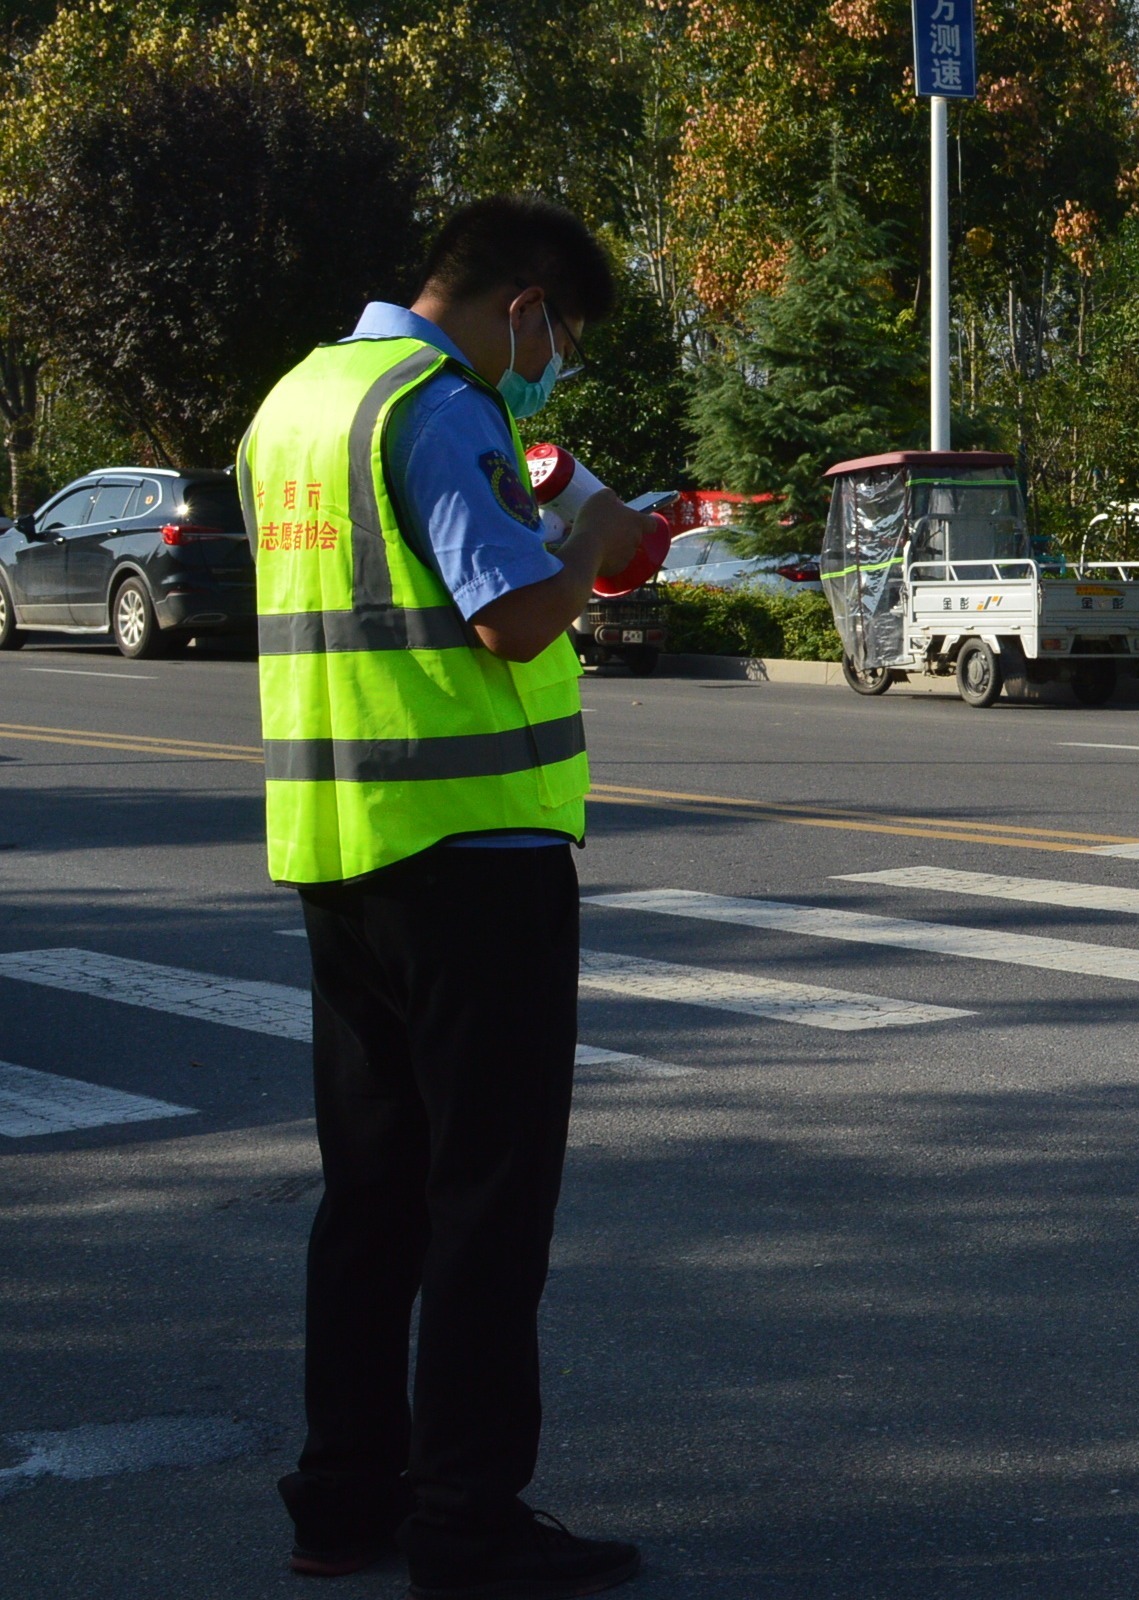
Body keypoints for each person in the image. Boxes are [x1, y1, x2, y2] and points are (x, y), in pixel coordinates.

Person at [242, 196, 649, 1597]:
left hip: (337, 848)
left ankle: (341, 1499)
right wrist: (590, 531)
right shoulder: (437, 403)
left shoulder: (296, 404)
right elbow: (509, 615)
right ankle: (468, 1518)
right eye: (562, 334)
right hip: (474, 860)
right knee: (486, 1202)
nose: (552, 363)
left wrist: (536, 519)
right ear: (522, 301)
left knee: (373, 1198)